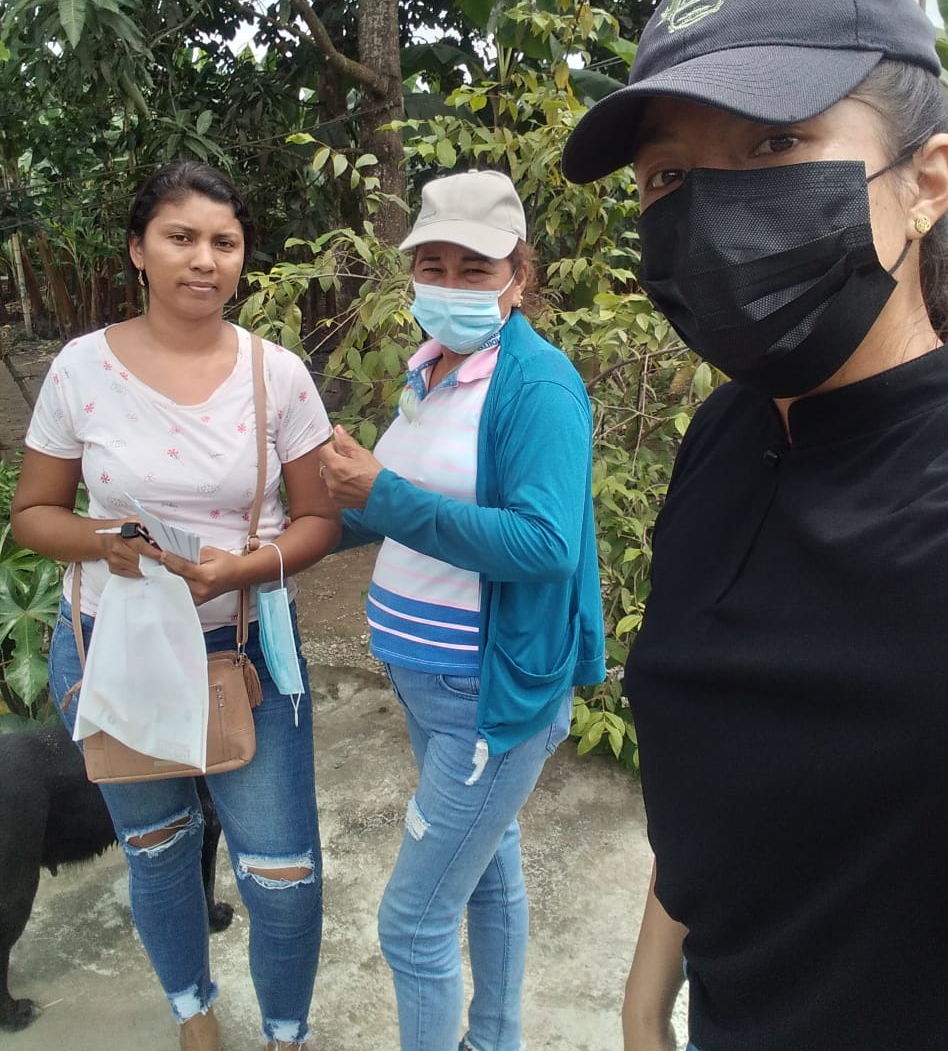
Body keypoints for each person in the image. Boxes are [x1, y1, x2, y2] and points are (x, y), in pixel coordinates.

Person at [561, 0, 948, 1051]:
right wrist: (646, 999)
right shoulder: (728, 432)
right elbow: (718, 772)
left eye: (776, 141)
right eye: (670, 176)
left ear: (927, 183)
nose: (708, 212)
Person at [10, 161, 341, 1051]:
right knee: (156, 850)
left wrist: (245, 567)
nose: (204, 259)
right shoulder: (81, 370)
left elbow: (319, 519)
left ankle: (286, 1033)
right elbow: (34, 513)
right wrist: (104, 540)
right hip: (113, 648)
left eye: (224, 242)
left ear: (242, 259)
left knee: (282, 874)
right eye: (181, 237)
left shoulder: (278, 375)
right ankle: (193, 1013)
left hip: (245, 651)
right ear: (138, 250)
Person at [319, 169, 605, 1051]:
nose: (449, 285)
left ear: (519, 275)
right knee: (487, 868)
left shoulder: (538, 387)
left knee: (411, 922)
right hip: (425, 685)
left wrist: (385, 493)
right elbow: (388, 508)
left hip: (488, 697)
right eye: (432, 265)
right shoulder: (432, 368)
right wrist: (277, 541)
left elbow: (545, 545)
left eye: (474, 268)